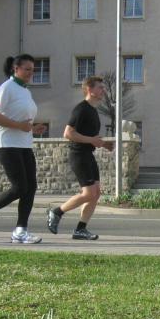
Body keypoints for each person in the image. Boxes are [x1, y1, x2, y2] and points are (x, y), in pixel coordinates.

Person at [0, 54, 46, 243]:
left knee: (30, 187)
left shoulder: (25, 91)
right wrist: (19, 126)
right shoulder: (7, 88)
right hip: (7, 143)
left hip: (24, 144)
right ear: (16, 68)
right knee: (20, 187)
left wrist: (32, 128)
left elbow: (21, 120)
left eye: (33, 70)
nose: (30, 73)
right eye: (27, 69)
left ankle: (21, 231)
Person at [46, 76, 114, 240]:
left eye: (103, 88)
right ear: (90, 90)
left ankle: (80, 230)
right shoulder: (81, 109)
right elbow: (68, 133)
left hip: (88, 155)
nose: (103, 90)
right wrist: (92, 140)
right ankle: (56, 212)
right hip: (78, 155)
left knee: (96, 193)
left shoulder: (93, 110)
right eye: (100, 87)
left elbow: (89, 137)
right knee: (89, 193)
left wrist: (103, 144)